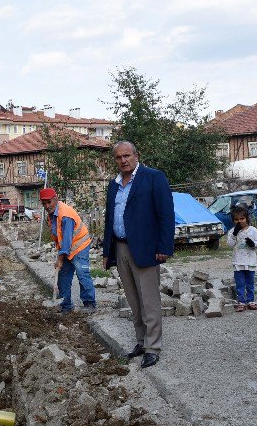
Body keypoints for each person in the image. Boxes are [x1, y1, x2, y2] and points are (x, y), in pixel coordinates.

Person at [102, 141, 174, 368]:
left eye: (127, 156)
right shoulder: (113, 185)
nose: (123, 160)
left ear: (136, 155)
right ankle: (141, 341)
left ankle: (153, 347)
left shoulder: (153, 177)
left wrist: (164, 247)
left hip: (146, 248)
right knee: (133, 300)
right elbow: (109, 219)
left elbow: (166, 215)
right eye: (118, 157)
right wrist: (107, 251)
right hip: (121, 247)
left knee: (149, 300)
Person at [40, 187, 96, 314]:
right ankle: (66, 305)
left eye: (49, 202)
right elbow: (59, 237)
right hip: (66, 248)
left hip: (79, 246)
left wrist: (60, 258)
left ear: (56, 199)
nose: (47, 206)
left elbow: (67, 240)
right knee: (63, 276)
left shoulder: (65, 214)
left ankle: (90, 304)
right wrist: (60, 255)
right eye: (44, 203)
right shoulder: (52, 214)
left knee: (82, 274)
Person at [227, 205, 257, 311]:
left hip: (250, 261)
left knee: (250, 283)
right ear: (233, 221)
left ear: (247, 218)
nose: (239, 221)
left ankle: (250, 300)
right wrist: (235, 233)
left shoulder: (253, 230)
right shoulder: (232, 231)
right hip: (238, 262)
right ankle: (241, 301)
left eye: (242, 219)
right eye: (236, 219)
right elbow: (230, 244)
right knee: (240, 283)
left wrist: (253, 244)